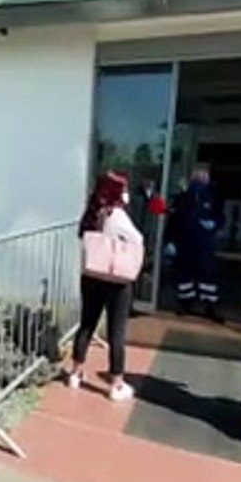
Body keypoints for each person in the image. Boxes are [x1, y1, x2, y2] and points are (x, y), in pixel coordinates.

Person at [69, 172, 144, 402]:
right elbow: (137, 239)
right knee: (117, 332)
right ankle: (117, 384)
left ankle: (75, 373)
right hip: (116, 280)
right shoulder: (117, 214)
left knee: (87, 324)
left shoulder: (92, 212)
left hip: (91, 275)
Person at [167, 165, 225, 322]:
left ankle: (209, 306)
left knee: (208, 275)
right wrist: (170, 241)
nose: (200, 179)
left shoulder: (213, 198)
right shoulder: (183, 198)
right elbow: (173, 221)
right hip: (185, 242)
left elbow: (220, 216)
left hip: (204, 243)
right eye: (198, 176)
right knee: (184, 276)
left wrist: (215, 224)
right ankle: (185, 304)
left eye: (203, 176)